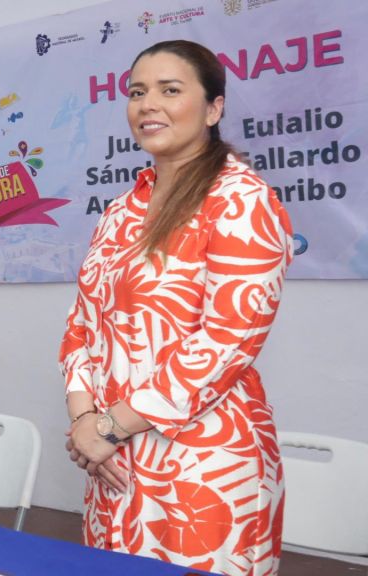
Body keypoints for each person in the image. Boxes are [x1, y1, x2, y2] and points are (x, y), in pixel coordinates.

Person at [59, 40, 292, 575]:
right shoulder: (120, 210)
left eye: (170, 90)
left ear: (214, 108)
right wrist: (83, 424)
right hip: (113, 466)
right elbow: (82, 327)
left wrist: (108, 427)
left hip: (204, 468)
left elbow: (225, 343)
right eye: (138, 92)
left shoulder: (241, 200)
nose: (148, 105)